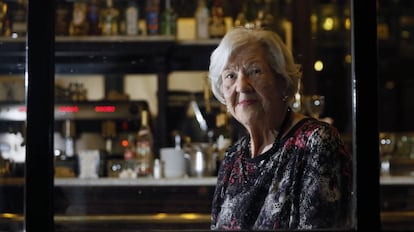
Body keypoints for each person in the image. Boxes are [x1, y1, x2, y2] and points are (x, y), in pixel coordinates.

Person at [208, 27, 353, 230]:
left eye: (255, 71)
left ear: (282, 81)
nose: (241, 86)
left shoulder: (316, 143)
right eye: (230, 76)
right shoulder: (233, 157)